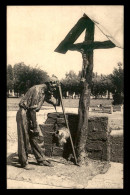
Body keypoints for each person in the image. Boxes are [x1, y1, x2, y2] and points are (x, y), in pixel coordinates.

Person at [16, 76, 59, 169]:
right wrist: (34, 126)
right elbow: (32, 110)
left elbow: (53, 101)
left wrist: (58, 96)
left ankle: (41, 159)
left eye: (56, 87)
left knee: (38, 136)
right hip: (24, 113)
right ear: (49, 83)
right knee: (24, 138)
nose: (54, 88)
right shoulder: (37, 90)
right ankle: (24, 162)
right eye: (54, 86)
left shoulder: (46, 92)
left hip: (30, 114)